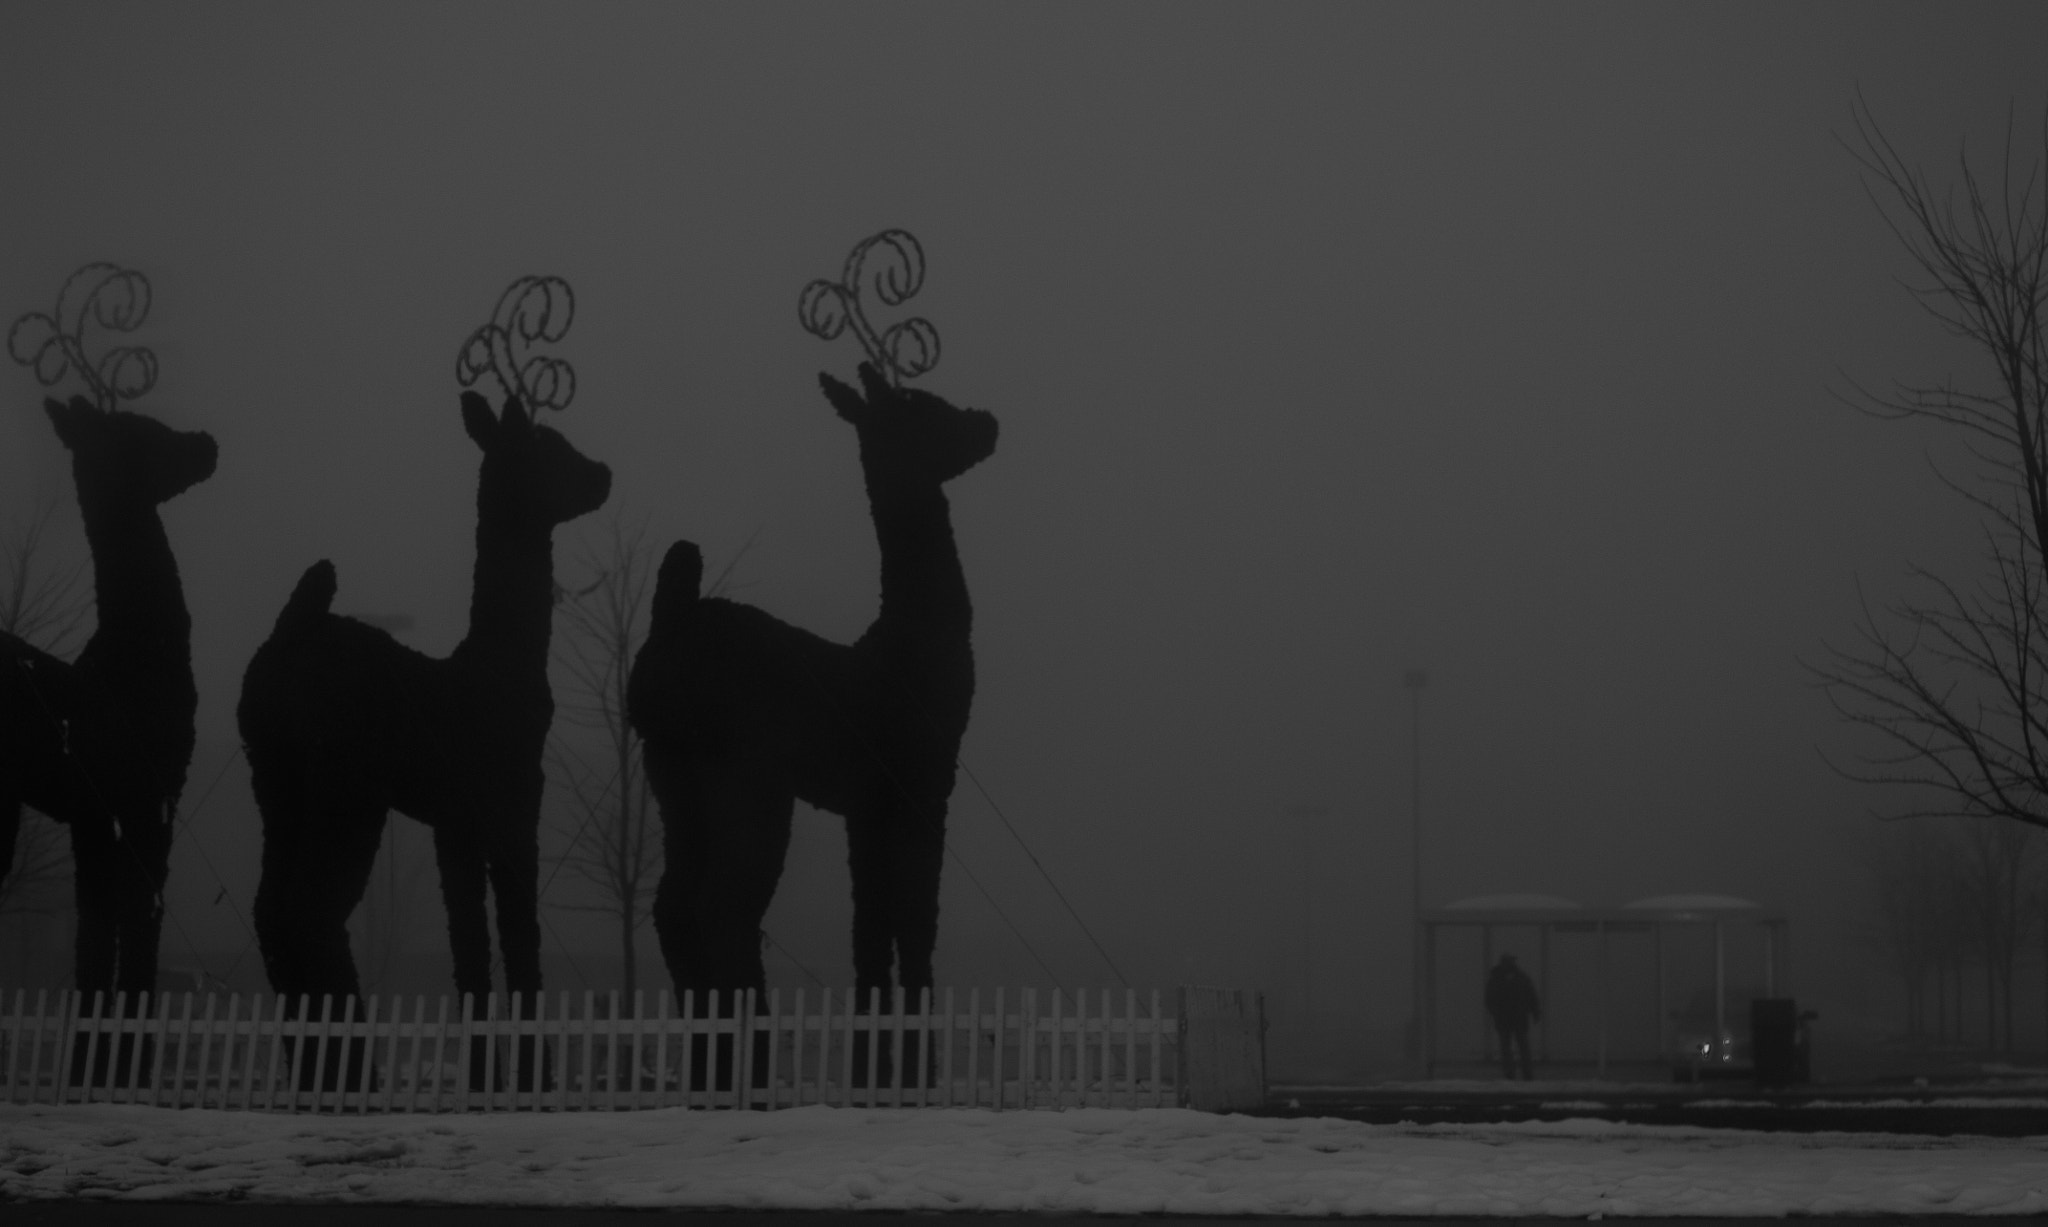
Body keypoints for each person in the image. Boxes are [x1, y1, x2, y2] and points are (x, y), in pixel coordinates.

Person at [1485, 953, 1542, 1080]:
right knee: (1513, 1049)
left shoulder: (1503, 978)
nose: (1511, 964)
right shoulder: (1518, 978)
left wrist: (1535, 1011)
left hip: (1514, 1019)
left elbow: (1531, 996)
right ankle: (1514, 1075)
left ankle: (1521, 1074)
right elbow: (1489, 999)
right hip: (1511, 1019)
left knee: (1518, 1048)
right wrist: (1535, 1012)